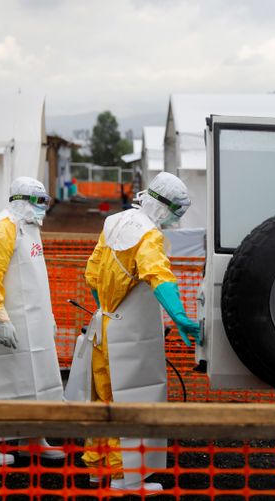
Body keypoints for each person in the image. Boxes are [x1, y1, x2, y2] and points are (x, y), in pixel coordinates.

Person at [64, 172, 200, 493]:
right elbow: (159, 275)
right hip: (129, 338)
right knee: (128, 401)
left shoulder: (115, 221)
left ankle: (97, 468)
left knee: (102, 400)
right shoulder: (149, 236)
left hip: (103, 327)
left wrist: (106, 307)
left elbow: (92, 273)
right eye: (176, 212)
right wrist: (179, 316)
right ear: (163, 205)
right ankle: (124, 477)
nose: (175, 220)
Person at [0, 177, 65, 466]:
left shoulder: (29, 227)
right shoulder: (2, 228)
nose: (42, 209)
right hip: (11, 320)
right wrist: (0, 317)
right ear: (21, 200)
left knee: (38, 378)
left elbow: (34, 278)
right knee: (6, 382)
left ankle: (33, 438)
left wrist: (47, 316)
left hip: (34, 321)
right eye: (38, 203)